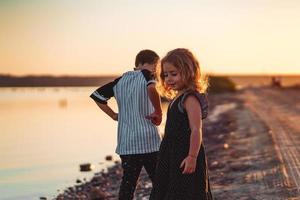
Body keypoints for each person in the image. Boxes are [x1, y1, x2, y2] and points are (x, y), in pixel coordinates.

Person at [90, 49, 162, 200]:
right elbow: (151, 88)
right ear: (153, 65)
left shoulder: (119, 81)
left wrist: (113, 115)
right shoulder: (148, 75)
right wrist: (158, 112)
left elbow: (97, 96)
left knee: (128, 184)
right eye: (157, 66)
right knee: (160, 181)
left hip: (127, 143)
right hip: (149, 140)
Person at [150, 48, 213, 200]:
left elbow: (196, 129)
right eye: (165, 75)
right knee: (166, 189)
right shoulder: (176, 98)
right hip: (171, 153)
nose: (169, 79)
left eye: (174, 74)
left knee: (186, 191)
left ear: (188, 72)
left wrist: (192, 156)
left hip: (185, 152)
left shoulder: (189, 99)